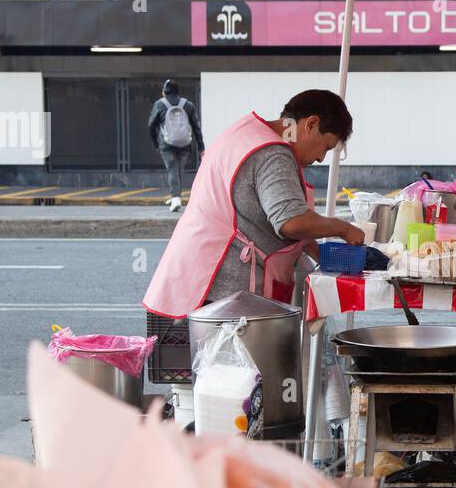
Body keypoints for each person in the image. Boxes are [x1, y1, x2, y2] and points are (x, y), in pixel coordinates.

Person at [144, 89, 365, 319]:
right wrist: (343, 228)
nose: (321, 158)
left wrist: (316, 250)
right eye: (326, 147)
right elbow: (291, 220)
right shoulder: (273, 154)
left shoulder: (247, 133)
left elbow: (259, 210)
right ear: (311, 124)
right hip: (223, 294)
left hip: (197, 277)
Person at [149, 79, 205, 212]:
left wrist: (156, 143)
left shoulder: (159, 104)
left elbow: (151, 125)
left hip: (166, 144)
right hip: (185, 143)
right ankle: (176, 195)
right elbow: (196, 127)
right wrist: (201, 146)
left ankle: (175, 198)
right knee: (179, 169)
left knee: (172, 169)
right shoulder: (188, 105)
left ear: (164, 91)